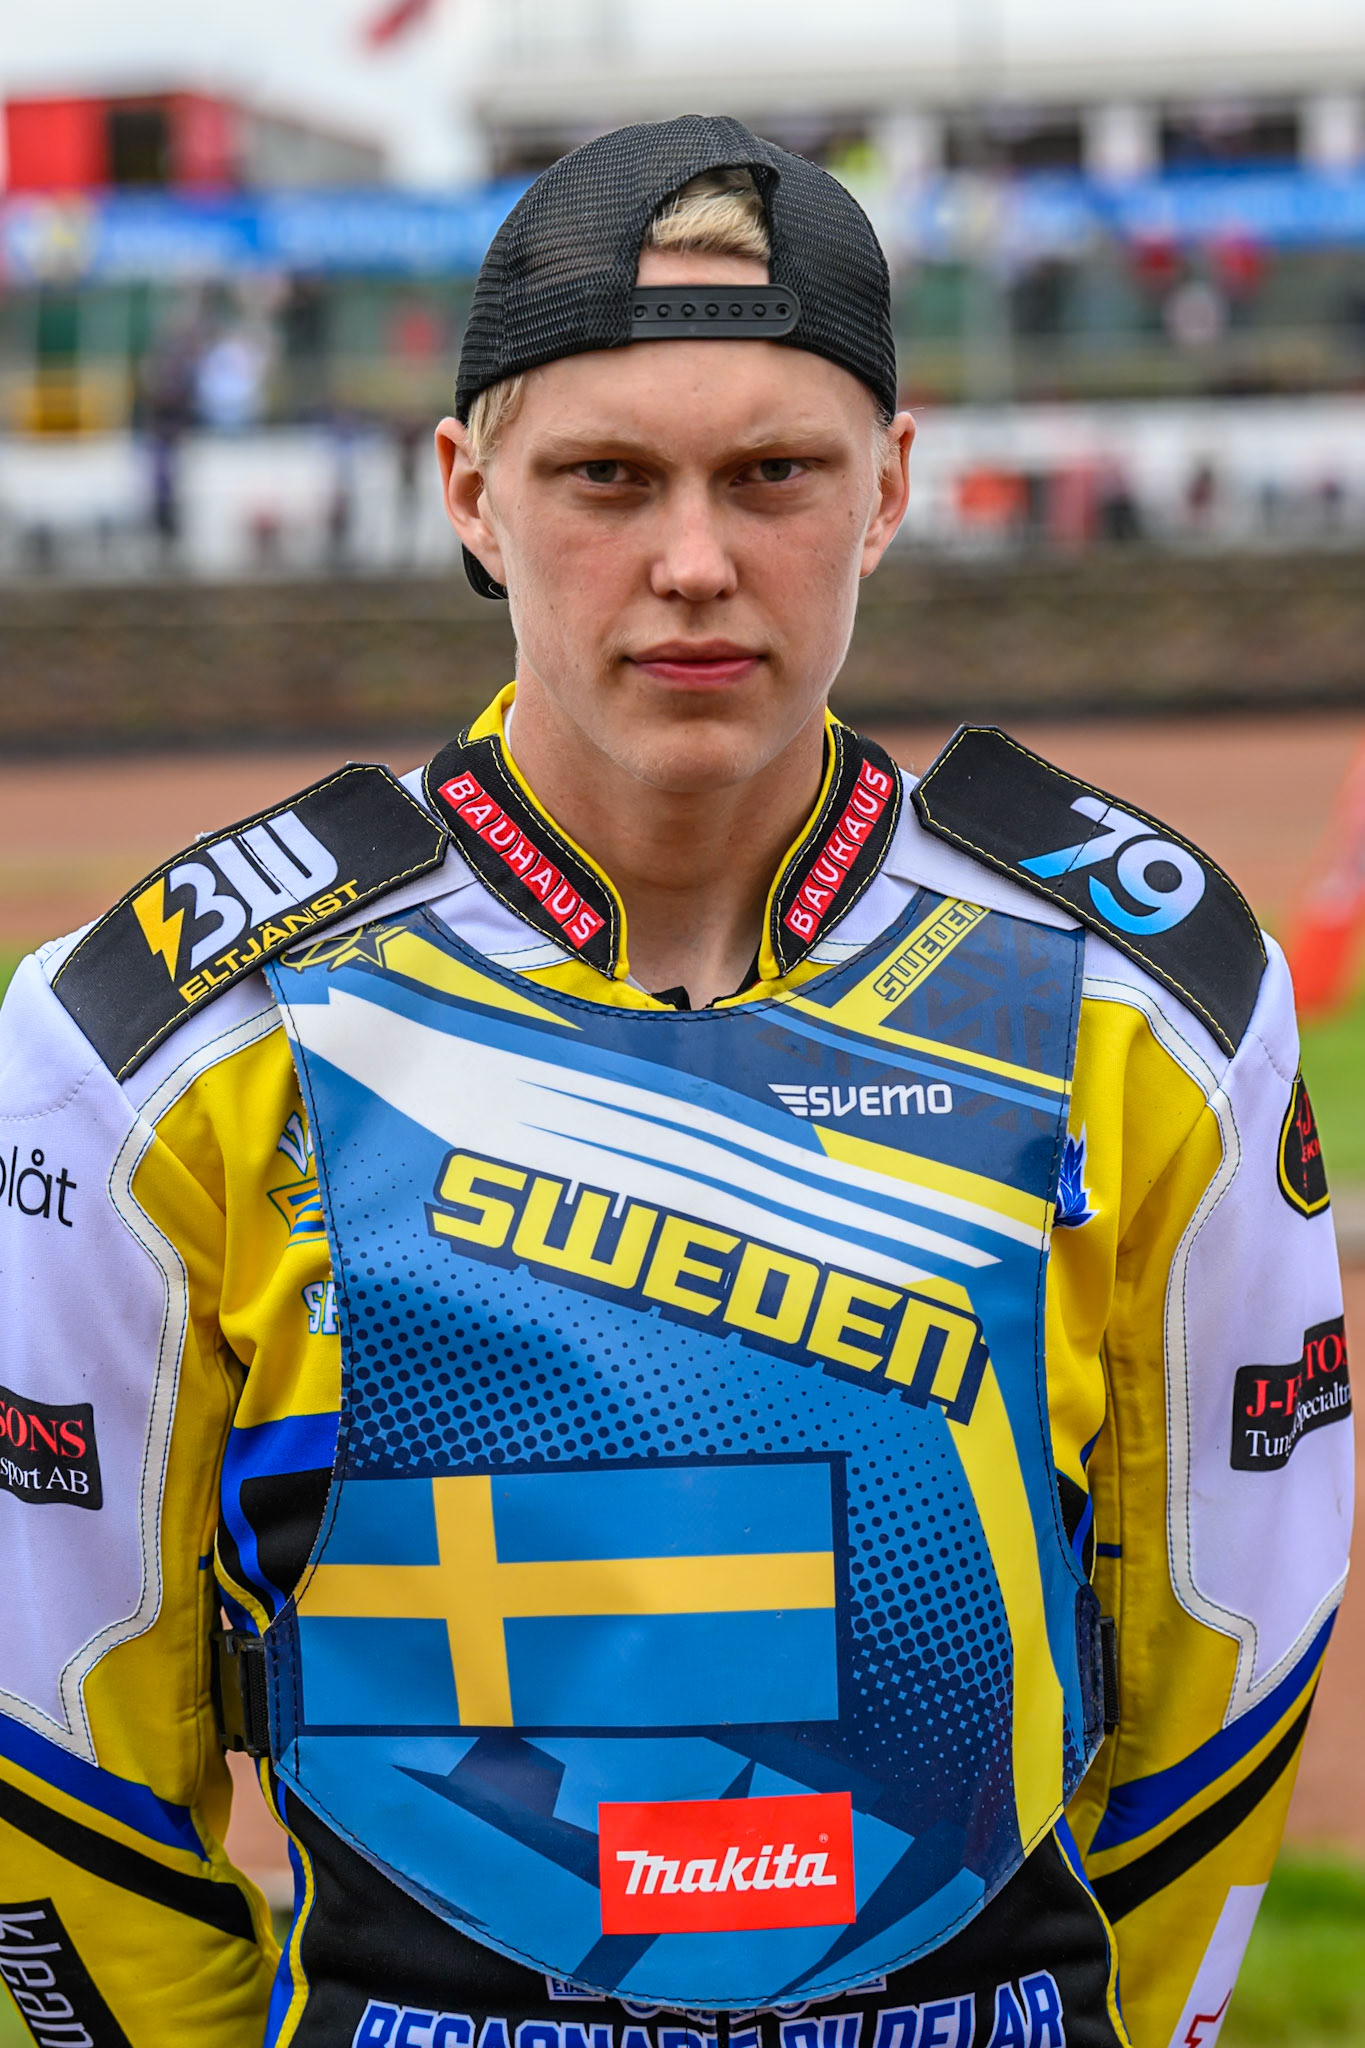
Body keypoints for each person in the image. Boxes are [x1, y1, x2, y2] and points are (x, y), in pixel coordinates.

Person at [0, 117, 1350, 2048]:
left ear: (888, 490)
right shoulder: (155, 1045)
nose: (696, 560)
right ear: (469, 492)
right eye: (607, 478)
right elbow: (61, 1754)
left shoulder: (1147, 998)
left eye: (773, 474)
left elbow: (1226, 1668)